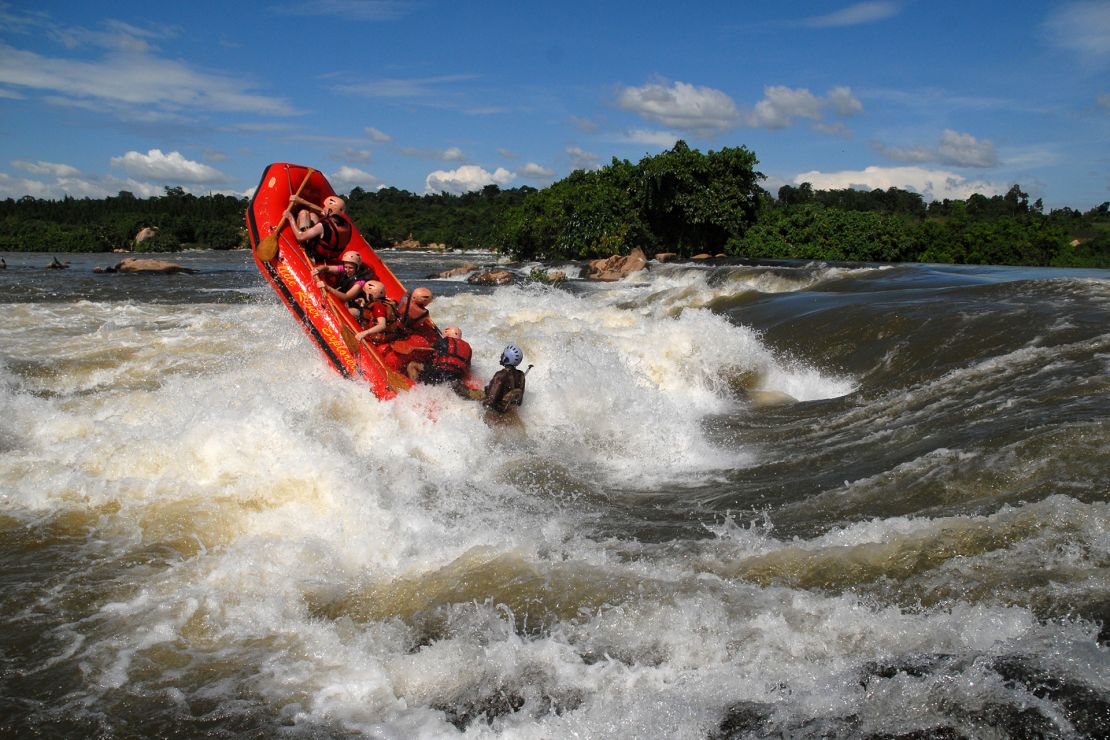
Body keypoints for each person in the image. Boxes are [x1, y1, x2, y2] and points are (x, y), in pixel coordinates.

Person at [285, 193, 352, 263]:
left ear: (330, 211)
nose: (323, 208)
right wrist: (301, 201)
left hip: (314, 255)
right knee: (313, 215)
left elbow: (300, 237)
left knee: (303, 213)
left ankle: (304, 246)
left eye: (325, 207)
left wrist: (290, 218)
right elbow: (321, 211)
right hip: (328, 256)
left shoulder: (323, 225)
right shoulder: (347, 226)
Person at [408, 326, 473, 396]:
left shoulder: (445, 341)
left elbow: (429, 346)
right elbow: (467, 368)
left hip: (439, 376)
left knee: (412, 365)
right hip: (456, 378)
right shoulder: (468, 348)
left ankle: (415, 391)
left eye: (446, 330)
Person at [315, 250, 374, 315]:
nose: (347, 270)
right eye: (346, 267)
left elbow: (346, 297)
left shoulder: (361, 282)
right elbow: (328, 268)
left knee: (351, 312)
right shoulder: (344, 269)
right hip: (344, 300)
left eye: (351, 268)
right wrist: (319, 269)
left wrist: (327, 288)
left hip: (355, 305)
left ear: (357, 267)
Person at [483, 344, 528, 414]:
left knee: (468, 392)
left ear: (506, 358)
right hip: (509, 411)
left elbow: (489, 401)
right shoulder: (521, 375)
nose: (501, 355)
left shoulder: (500, 375)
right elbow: (519, 402)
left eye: (503, 354)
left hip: (497, 412)